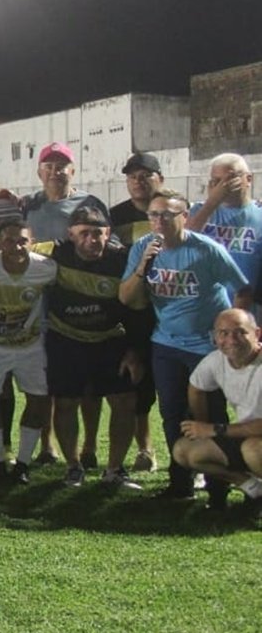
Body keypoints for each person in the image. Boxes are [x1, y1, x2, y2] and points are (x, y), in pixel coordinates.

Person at [120, 189, 250, 501]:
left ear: (184, 216)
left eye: (167, 214)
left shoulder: (206, 250)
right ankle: (181, 483)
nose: (159, 220)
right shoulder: (142, 248)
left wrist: (232, 332)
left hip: (206, 348)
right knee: (171, 412)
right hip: (166, 345)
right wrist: (143, 267)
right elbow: (127, 298)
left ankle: (217, 486)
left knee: (210, 415)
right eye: (153, 214)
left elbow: (242, 290)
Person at [40, 206, 145, 489]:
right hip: (65, 338)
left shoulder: (122, 259)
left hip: (109, 338)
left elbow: (137, 308)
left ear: (108, 234)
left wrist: (135, 349)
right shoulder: (54, 252)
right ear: (71, 235)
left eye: (98, 233)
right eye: (84, 233)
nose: (91, 240)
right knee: (65, 403)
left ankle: (115, 469)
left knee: (124, 401)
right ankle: (73, 467)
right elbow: (16, 247)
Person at [0, 221, 59, 484]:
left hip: (29, 346)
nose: (16, 246)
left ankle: (22, 463)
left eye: (22, 240)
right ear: (0, 243)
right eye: (10, 241)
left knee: (38, 399)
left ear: (31, 242)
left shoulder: (46, 268)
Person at [175, 307, 262, 514]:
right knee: (185, 450)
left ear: (257, 334)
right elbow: (196, 388)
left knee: (253, 450)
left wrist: (214, 430)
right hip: (247, 435)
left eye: (240, 332)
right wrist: (202, 425)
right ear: (215, 337)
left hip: (254, 440)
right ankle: (254, 488)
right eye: (223, 333)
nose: (231, 339)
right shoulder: (216, 360)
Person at [108, 151, 163, 472]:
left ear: (160, 179)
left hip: (172, 306)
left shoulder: (175, 209)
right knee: (139, 385)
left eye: (145, 175)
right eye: (132, 177)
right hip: (136, 310)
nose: (138, 182)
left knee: (179, 386)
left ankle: (190, 456)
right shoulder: (115, 216)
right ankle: (146, 450)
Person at [187, 153, 262, 296]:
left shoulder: (259, 213)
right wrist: (212, 201)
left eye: (230, 179)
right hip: (206, 303)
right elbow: (182, 241)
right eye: (217, 181)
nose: (223, 186)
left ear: (248, 179)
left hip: (246, 302)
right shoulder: (199, 211)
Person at [20, 141, 108, 246]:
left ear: (72, 172)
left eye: (61, 167)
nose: (54, 172)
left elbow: (108, 239)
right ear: (39, 173)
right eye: (48, 167)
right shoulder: (27, 204)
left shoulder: (90, 203)